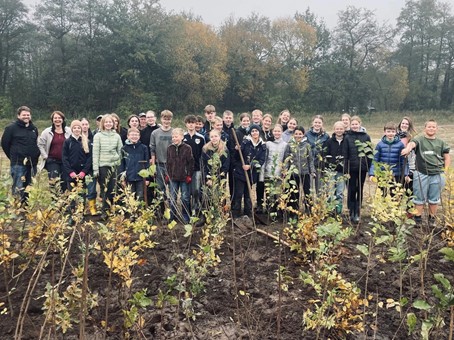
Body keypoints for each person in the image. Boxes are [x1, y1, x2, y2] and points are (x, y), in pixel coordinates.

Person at [401, 120, 450, 226]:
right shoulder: (419, 139)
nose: (431, 129)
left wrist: (444, 172)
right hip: (421, 173)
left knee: (434, 198)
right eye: (429, 127)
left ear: (436, 129)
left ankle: (432, 219)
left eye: (433, 127)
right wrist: (407, 149)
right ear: (425, 128)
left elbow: (446, 158)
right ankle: (418, 218)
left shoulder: (441, 143)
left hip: (437, 174)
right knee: (419, 197)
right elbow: (412, 144)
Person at [1, 106, 40, 203]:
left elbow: (35, 143)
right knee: (18, 188)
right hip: (18, 164)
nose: (26, 117)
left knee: (28, 188)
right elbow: (5, 144)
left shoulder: (33, 128)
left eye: (28, 115)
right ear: (18, 116)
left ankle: (25, 210)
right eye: (24, 115)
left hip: (31, 164)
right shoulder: (11, 128)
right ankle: (17, 212)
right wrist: (13, 157)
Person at [231, 124, 266, 218]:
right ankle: (236, 215)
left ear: (259, 132)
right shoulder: (245, 142)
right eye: (253, 131)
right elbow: (236, 157)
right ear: (250, 133)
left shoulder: (262, 146)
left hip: (250, 174)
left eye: (256, 131)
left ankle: (248, 214)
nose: (255, 133)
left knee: (247, 195)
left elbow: (261, 161)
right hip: (240, 173)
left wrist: (250, 166)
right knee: (238, 194)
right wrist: (237, 150)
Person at [92, 114, 123, 218]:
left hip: (114, 166)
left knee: (113, 188)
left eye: (110, 122)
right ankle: (104, 210)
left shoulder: (117, 136)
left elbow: (120, 151)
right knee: (104, 188)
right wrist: (95, 169)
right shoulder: (98, 136)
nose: (108, 124)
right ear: (103, 124)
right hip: (103, 165)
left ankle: (112, 209)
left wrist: (117, 160)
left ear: (113, 124)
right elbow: (95, 153)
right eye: (106, 122)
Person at [343, 116, 372, 223]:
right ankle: (351, 212)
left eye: (356, 124)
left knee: (359, 188)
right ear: (350, 125)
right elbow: (345, 154)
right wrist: (346, 170)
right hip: (351, 168)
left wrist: (369, 168)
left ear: (360, 124)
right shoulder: (347, 137)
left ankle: (358, 211)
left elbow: (369, 153)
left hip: (362, 168)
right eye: (353, 124)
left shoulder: (366, 136)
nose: (355, 126)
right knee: (351, 189)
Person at [62, 120, 92, 219]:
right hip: (71, 174)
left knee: (82, 195)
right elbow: (64, 158)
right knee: (72, 196)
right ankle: (72, 215)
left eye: (78, 128)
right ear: (72, 129)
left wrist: (84, 171)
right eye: (75, 128)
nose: (77, 129)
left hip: (82, 174)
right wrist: (70, 172)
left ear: (81, 129)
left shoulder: (86, 141)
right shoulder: (67, 142)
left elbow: (89, 158)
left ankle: (81, 214)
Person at [369, 122, 409, 195]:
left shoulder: (400, 145)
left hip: (396, 173)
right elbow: (375, 160)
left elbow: (404, 161)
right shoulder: (380, 145)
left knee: (394, 193)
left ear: (396, 132)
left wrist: (406, 174)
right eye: (388, 131)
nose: (390, 133)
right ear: (385, 132)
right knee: (381, 193)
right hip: (382, 173)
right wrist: (372, 173)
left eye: (393, 132)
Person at [283, 126, 315, 216]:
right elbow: (286, 159)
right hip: (293, 173)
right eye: (296, 133)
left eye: (300, 134)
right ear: (293, 135)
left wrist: (312, 171)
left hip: (305, 173)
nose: (298, 135)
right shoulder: (289, 145)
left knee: (307, 193)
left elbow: (310, 160)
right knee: (294, 194)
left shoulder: (307, 145)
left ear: (303, 134)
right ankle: (294, 213)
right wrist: (286, 171)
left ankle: (309, 212)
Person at [37, 111, 72, 192]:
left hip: (65, 161)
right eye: (55, 118)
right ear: (52, 120)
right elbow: (40, 144)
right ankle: (55, 201)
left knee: (65, 182)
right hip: (52, 161)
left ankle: (64, 201)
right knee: (53, 182)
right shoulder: (47, 132)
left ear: (63, 119)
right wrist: (45, 155)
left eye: (59, 118)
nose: (57, 120)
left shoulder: (69, 131)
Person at [166, 128, 194, 224]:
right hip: (173, 177)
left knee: (185, 197)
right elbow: (168, 163)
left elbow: (191, 163)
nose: (174, 138)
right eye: (173, 136)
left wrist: (189, 175)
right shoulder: (170, 148)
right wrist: (168, 175)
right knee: (172, 197)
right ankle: (172, 216)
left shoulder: (187, 148)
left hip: (184, 177)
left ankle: (186, 215)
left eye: (176, 136)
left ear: (182, 137)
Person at [149, 110, 174, 212]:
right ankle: (161, 211)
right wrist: (153, 166)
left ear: (171, 120)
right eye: (164, 119)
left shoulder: (174, 132)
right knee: (160, 189)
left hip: (172, 166)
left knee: (173, 190)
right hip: (160, 165)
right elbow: (152, 150)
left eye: (168, 119)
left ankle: (173, 212)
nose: (166, 121)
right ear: (161, 119)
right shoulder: (155, 133)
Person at [261, 124, 287, 214]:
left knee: (279, 193)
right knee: (269, 194)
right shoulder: (268, 144)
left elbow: (286, 159)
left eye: (279, 131)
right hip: (269, 172)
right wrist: (262, 173)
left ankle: (279, 212)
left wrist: (284, 171)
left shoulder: (285, 145)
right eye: (275, 131)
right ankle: (270, 213)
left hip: (279, 173)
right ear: (272, 132)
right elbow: (264, 159)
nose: (277, 133)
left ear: (282, 132)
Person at [183, 115, 206, 215]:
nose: (191, 124)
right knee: (186, 192)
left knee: (196, 190)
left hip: (197, 168)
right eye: (189, 123)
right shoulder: (183, 137)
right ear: (186, 124)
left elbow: (203, 153)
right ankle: (186, 212)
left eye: (193, 123)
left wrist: (202, 167)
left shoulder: (201, 138)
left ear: (196, 124)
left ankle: (196, 210)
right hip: (185, 169)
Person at [119, 128, 150, 201]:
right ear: (128, 136)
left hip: (141, 178)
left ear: (139, 136)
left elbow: (147, 164)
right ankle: (132, 212)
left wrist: (147, 178)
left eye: (136, 135)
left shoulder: (144, 148)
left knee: (141, 196)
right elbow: (122, 164)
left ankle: (140, 212)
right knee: (130, 196)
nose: (134, 137)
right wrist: (122, 179)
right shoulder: (124, 149)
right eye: (132, 135)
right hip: (129, 177)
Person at [324, 121, 346, 215]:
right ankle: (330, 210)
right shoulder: (329, 141)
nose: (339, 130)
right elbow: (325, 155)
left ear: (344, 130)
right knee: (331, 191)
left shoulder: (347, 141)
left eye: (341, 129)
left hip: (342, 171)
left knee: (340, 192)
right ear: (334, 130)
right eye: (337, 129)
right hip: (331, 171)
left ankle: (338, 211)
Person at [305, 115, 329, 192]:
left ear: (322, 124)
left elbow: (327, 150)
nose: (317, 124)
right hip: (309, 165)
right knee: (310, 189)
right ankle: (310, 204)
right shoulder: (307, 134)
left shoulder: (326, 136)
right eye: (315, 122)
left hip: (320, 165)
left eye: (319, 122)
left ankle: (319, 204)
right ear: (312, 123)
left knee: (320, 189)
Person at [81, 117, 97, 215]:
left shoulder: (93, 137)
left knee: (91, 188)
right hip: (80, 168)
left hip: (90, 167)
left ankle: (92, 208)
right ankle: (81, 208)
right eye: (83, 124)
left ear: (89, 125)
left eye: (86, 124)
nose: (85, 126)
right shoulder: (77, 138)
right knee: (81, 189)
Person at [397, 116, 416, 195]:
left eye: (406, 124)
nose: (404, 125)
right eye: (403, 123)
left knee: (408, 191)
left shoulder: (413, 138)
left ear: (409, 126)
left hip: (409, 167)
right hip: (397, 167)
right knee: (397, 191)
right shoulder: (395, 136)